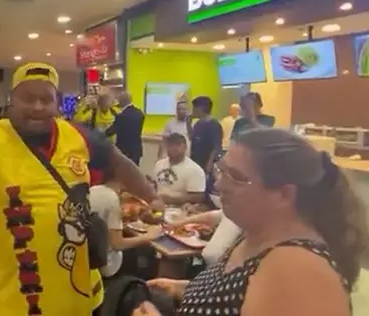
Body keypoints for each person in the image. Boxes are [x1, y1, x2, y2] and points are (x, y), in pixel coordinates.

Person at [0, 62, 156, 315]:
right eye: (28, 98)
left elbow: (119, 162)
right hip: (19, 302)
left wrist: (152, 198)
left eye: (45, 99)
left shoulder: (79, 137)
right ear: (12, 100)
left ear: (56, 103)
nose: (37, 107)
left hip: (83, 297)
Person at [149, 128, 368, 316]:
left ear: (283, 195)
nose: (218, 185)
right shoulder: (254, 234)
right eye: (221, 170)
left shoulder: (299, 273)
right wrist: (185, 289)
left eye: (235, 176)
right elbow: (235, 299)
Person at [90, 180, 161, 279]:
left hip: (90, 255)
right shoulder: (113, 199)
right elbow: (117, 244)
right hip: (105, 264)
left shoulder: (95, 189)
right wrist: (147, 237)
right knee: (147, 251)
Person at [149, 133, 205, 206]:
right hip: (157, 205)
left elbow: (198, 197)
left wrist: (171, 199)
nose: (174, 148)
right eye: (171, 145)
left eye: (178, 145)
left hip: (180, 209)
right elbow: (154, 185)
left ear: (185, 147)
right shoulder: (159, 164)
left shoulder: (194, 169)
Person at [105, 92, 145, 166]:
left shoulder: (121, 116)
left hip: (123, 151)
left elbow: (110, 131)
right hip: (136, 150)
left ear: (122, 101)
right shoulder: (140, 113)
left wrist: (99, 134)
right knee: (134, 173)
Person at [188, 96, 222, 174]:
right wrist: (188, 124)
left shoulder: (214, 124)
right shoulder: (198, 124)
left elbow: (216, 147)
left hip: (206, 165)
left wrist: (209, 164)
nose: (192, 110)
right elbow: (192, 138)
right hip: (196, 162)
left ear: (201, 108)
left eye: (194, 108)